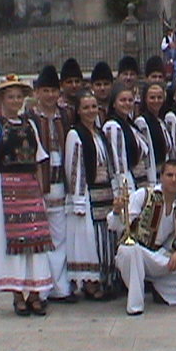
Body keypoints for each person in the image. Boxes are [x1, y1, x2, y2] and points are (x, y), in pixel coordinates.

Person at [0, 76, 54, 316]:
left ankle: (35, 292)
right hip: (6, 186)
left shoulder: (30, 125)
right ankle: (17, 294)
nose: (15, 101)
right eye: (11, 97)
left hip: (30, 187)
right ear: (1, 100)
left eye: (18, 96)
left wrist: (40, 190)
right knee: (11, 242)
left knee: (36, 240)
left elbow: (38, 158)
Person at [110, 159, 176, 315]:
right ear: (161, 177)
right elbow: (117, 226)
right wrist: (117, 212)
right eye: (169, 175)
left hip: (161, 256)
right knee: (130, 250)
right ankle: (135, 305)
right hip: (138, 254)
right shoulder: (143, 195)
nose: (173, 179)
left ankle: (163, 292)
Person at [27, 65, 76, 304]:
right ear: (37, 92)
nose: (49, 95)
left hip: (60, 184)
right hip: (38, 183)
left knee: (60, 238)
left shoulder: (65, 116)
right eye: (45, 90)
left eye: (53, 91)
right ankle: (41, 289)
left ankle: (60, 287)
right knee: (39, 238)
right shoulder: (29, 119)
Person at [64, 90, 116, 301]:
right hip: (87, 193)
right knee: (89, 238)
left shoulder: (100, 133)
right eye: (86, 107)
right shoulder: (75, 134)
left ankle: (103, 278)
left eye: (93, 106)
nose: (90, 111)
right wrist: (78, 199)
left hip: (104, 192)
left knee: (104, 235)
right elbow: (74, 167)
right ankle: (89, 283)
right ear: (78, 110)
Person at [103, 83, 148, 196]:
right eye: (122, 100)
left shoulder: (131, 126)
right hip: (127, 185)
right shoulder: (113, 126)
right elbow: (119, 164)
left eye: (130, 100)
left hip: (139, 180)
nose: (127, 103)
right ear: (114, 104)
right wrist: (125, 191)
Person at [134, 82, 173, 188]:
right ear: (145, 99)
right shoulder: (142, 122)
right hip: (152, 177)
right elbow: (147, 156)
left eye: (159, 97)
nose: (156, 101)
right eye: (152, 98)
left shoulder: (161, 122)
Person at [59, 58, 84, 125]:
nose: (74, 85)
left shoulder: (89, 107)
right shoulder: (57, 109)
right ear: (61, 84)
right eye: (69, 82)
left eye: (77, 81)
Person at [90, 61, 114, 126]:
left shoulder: (118, 108)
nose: (102, 88)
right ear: (92, 86)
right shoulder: (88, 111)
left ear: (112, 85)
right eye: (98, 84)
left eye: (106, 84)